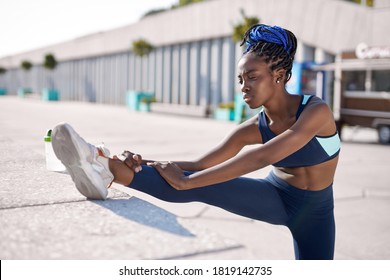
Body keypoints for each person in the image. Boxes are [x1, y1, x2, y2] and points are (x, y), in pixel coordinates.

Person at [52, 24, 340, 260]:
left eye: (252, 77)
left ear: (278, 76)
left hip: (316, 212)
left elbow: (262, 157)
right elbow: (201, 165)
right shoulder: (251, 128)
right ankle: (105, 165)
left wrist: (188, 181)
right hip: (275, 196)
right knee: (195, 181)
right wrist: (149, 163)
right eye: (240, 79)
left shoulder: (315, 111)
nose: (244, 87)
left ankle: (107, 166)